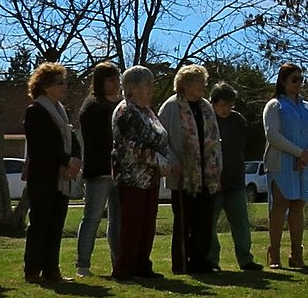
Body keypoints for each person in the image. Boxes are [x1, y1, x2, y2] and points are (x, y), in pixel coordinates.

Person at [158, 64, 222, 275]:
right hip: (183, 174)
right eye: (198, 81)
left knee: (204, 221)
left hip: (207, 174)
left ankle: (200, 262)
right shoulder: (171, 107)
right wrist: (174, 161)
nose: (203, 85)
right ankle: (181, 264)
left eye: (204, 81)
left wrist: (217, 167)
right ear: (185, 84)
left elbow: (215, 141)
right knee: (184, 222)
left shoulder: (206, 107)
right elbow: (162, 139)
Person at [111, 66, 172, 281]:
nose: (151, 89)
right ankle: (124, 268)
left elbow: (161, 138)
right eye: (147, 85)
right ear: (132, 88)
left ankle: (142, 265)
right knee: (132, 224)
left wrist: (166, 159)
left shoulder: (147, 111)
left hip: (151, 177)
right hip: (132, 177)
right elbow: (130, 147)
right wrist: (160, 160)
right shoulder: (126, 112)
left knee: (147, 223)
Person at [262, 64, 308, 269]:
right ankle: (274, 253)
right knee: (280, 206)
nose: (298, 83)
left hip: (304, 164)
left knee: (298, 205)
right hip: (281, 162)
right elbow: (273, 135)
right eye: (294, 79)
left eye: (301, 79)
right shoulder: (274, 105)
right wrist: (299, 153)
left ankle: (296, 253)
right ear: (283, 81)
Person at [21, 63, 78, 284]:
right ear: (45, 86)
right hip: (43, 176)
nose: (65, 87)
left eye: (65, 82)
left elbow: (72, 140)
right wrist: (66, 160)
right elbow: (41, 146)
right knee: (40, 224)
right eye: (60, 83)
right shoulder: (36, 111)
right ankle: (33, 270)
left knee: (56, 224)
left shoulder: (62, 111)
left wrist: (75, 161)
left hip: (62, 177)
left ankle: (52, 270)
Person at [74, 62, 123, 279]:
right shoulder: (93, 106)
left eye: (116, 78)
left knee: (118, 219)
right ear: (100, 82)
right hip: (100, 170)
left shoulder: (122, 104)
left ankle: (118, 263)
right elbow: (101, 137)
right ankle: (83, 264)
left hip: (120, 171)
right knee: (92, 217)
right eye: (111, 79)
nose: (115, 83)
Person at [207, 83, 262, 271]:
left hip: (236, 181)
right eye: (223, 105)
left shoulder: (238, 121)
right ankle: (211, 260)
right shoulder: (207, 119)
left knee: (241, 222)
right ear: (213, 103)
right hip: (214, 182)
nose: (227, 109)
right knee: (210, 224)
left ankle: (246, 259)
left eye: (230, 105)